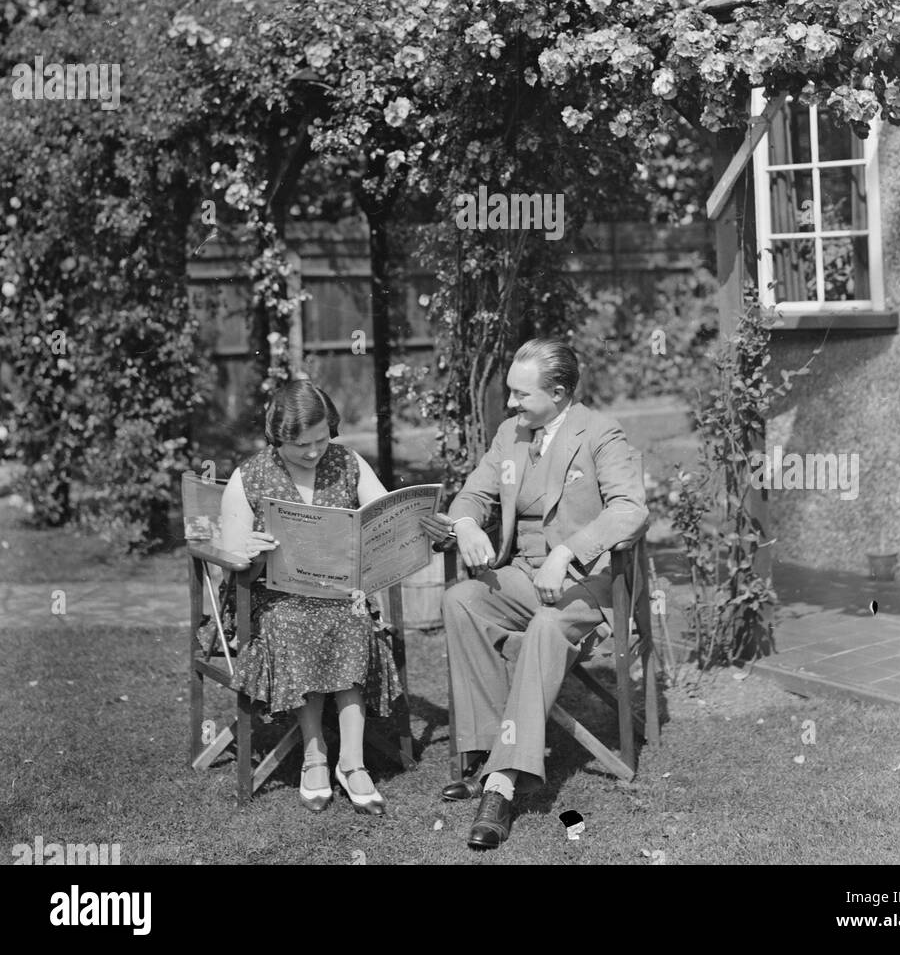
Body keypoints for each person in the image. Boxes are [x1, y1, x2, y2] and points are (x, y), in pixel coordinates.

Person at [421, 338, 648, 850]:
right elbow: (475, 493)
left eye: (522, 394)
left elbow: (631, 510)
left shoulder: (601, 434)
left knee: (547, 626)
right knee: (462, 600)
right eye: (510, 392)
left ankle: (501, 786)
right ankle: (483, 749)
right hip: (524, 573)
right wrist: (465, 524)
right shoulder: (511, 435)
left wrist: (568, 551)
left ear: (560, 393)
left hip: (587, 585)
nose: (510, 404)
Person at [220, 377, 401, 815]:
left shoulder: (348, 463)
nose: (313, 451)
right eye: (300, 444)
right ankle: (315, 755)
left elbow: (383, 517)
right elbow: (225, 552)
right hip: (272, 597)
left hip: (339, 592)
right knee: (296, 623)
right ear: (276, 436)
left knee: (353, 620)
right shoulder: (250, 475)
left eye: (321, 439)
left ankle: (352, 763)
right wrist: (245, 552)